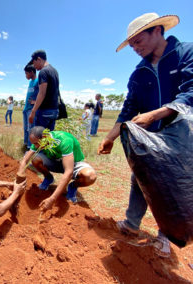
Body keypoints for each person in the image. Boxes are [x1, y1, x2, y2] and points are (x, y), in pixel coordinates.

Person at [98, 13, 193, 257]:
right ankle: (131, 223)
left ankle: (166, 236)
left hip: (184, 136)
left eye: (139, 42)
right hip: (153, 139)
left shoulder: (185, 53)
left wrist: (154, 115)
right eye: (132, 46)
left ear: (158, 31)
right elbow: (128, 110)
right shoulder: (139, 74)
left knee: (174, 187)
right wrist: (110, 137)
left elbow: (190, 93)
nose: (136, 49)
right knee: (141, 178)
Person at [18, 126, 96, 209]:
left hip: (73, 164)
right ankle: (48, 178)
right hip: (55, 162)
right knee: (35, 159)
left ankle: (72, 186)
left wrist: (52, 199)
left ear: (45, 137)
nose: (36, 146)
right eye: (34, 144)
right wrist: (19, 176)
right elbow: (25, 159)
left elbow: (69, 172)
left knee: (90, 176)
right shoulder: (38, 141)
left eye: (37, 143)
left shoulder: (64, 140)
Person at [28, 50, 59, 131]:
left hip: (45, 111)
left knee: (39, 138)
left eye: (34, 63)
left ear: (39, 59)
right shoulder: (54, 71)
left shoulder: (43, 72)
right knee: (48, 138)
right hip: (54, 110)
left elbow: (42, 93)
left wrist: (33, 111)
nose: (34, 66)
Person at [23, 64, 39, 149]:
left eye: (26, 73)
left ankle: (30, 147)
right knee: (25, 128)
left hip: (31, 110)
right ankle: (25, 144)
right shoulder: (30, 82)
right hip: (26, 109)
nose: (26, 76)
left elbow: (42, 95)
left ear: (32, 72)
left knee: (30, 129)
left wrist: (35, 102)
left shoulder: (38, 81)